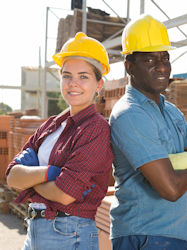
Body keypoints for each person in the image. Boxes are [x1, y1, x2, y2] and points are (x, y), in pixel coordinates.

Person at [109, 14, 187, 250]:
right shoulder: (130, 114)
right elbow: (171, 189)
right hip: (145, 237)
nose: (161, 67)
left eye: (164, 57)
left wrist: (180, 161)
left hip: (178, 234)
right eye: (149, 60)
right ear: (129, 67)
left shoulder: (171, 111)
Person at [6, 32, 114, 250]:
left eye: (83, 76)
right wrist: (51, 173)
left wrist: (31, 178)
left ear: (99, 84)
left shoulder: (95, 129)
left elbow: (65, 194)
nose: (73, 83)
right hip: (36, 230)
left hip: (69, 233)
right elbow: (11, 176)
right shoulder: (51, 126)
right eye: (67, 75)